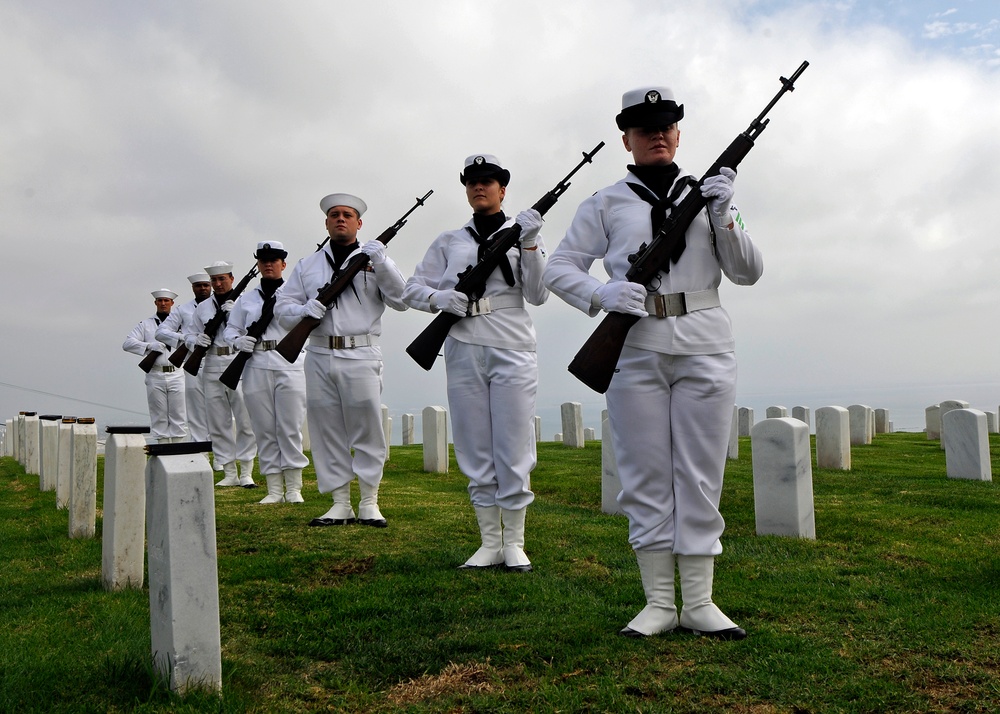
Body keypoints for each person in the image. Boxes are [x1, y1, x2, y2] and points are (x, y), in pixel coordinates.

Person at [543, 87, 763, 639]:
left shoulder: (713, 194)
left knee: (700, 473)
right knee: (644, 474)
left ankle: (702, 603)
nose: (657, 134)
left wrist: (724, 213)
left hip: (705, 345)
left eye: (666, 125)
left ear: (679, 133)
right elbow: (560, 267)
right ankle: (660, 602)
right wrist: (602, 295)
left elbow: (748, 272)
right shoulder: (604, 201)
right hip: (635, 346)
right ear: (628, 139)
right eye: (645, 128)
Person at [402, 155, 547, 572]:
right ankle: (488, 541)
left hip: (512, 345)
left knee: (515, 443)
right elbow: (414, 287)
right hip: (463, 343)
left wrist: (533, 245)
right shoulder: (449, 240)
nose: (479, 188)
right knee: (473, 442)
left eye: (488, 182)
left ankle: (515, 541)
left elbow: (538, 294)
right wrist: (436, 299)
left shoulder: (522, 236)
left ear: (503, 189)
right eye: (472, 183)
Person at [274, 193, 406, 527]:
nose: (341, 219)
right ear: (327, 223)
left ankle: (369, 501)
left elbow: (402, 299)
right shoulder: (308, 265)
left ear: (359, 224)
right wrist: (303, 311)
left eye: (347, 215)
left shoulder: (375, 259)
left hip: (361, 352)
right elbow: (281, 307)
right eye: (334, 214)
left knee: (367, 428)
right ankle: (339, 503)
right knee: (326, 428)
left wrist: (385, 263)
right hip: (318, 351)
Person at [224, 241, 309, 504]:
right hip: (256, 362)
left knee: (290, 426)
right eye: (263, 261)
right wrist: (238, 342)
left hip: (289, 362)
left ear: (284, 265)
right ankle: (274, 489)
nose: (269, 264)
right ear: (258, 265)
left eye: (274, 260)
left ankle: (294, 488)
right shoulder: (246, 299)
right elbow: (230, 329)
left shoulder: (295, 294)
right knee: (264, 428)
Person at [190, 261, 258, 488]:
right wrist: (195, 341)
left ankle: (246, 470)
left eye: (222, 279)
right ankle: (229, 470)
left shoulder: (245, 302)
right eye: (214, 281)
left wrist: (233, 315)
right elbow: (191, 334)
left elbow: (255, 329)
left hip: (237, 361)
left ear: (231, 279)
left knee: (245, 419)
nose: (218, 284)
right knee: (218, 422)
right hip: (211, 363)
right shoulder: (201, 308)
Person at [156, 272, 213, 447]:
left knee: (217, 407)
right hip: (193, 361)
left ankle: (218, 452)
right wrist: (184, 339)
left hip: (217, 360)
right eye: (198, 286)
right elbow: (160, 332)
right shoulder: (183, 309)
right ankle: (199, 448)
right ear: (193, 288)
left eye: (205, 285)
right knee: (195, 409)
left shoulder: (221, 305)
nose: (202, 288)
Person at [122, 288, 187, 443]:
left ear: (172, 303)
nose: (163, 303)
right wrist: (149, 346)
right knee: (159, 415)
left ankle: (178, 449)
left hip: (177, 373)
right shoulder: (146, 325)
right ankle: (163, 448)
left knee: (178, 414)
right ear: (155, 303)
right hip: (155, 374)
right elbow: (127, 343)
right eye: (160, 301)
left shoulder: (181, 324)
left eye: (166, 301)